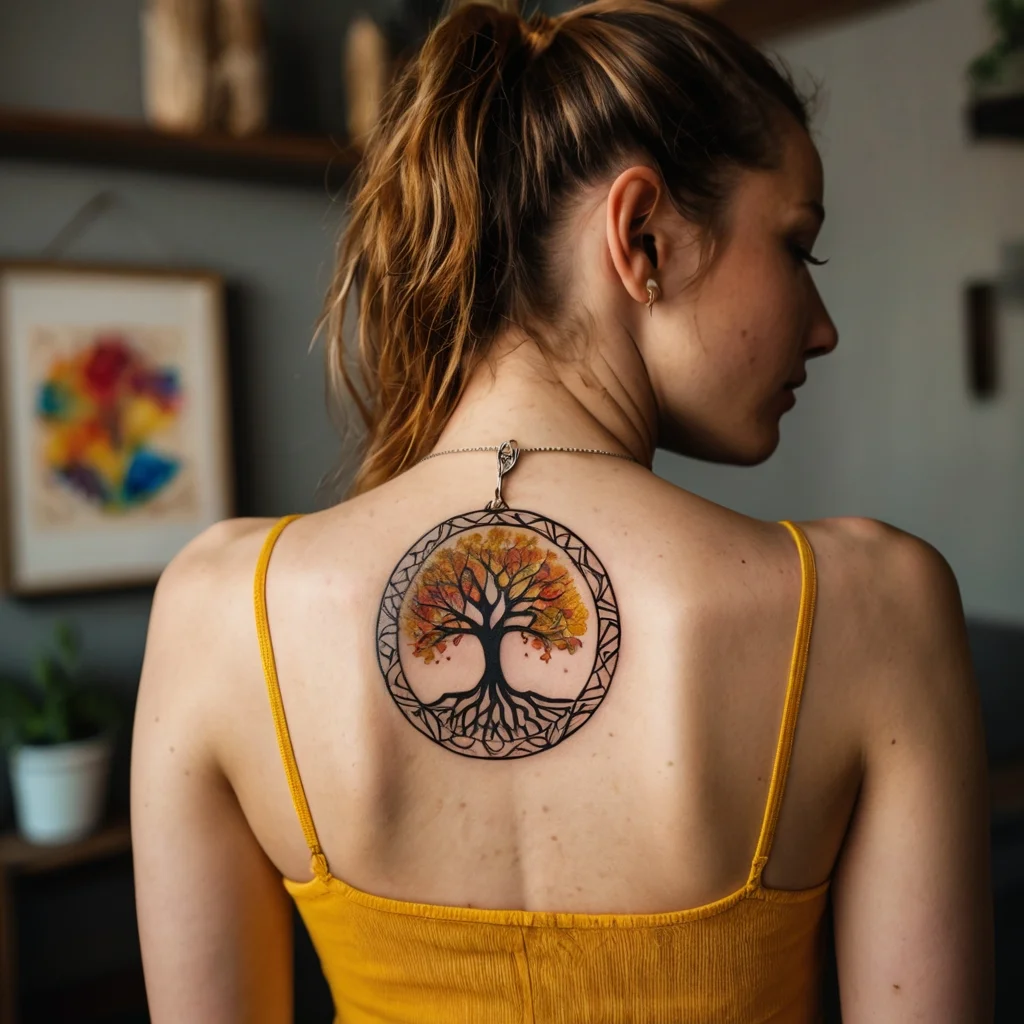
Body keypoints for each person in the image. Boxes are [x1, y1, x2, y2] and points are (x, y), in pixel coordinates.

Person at [131, 0, 995, 1020]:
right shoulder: (871, 605)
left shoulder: (222, 609)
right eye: (798, 247)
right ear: (643, 237)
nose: (822, 328)